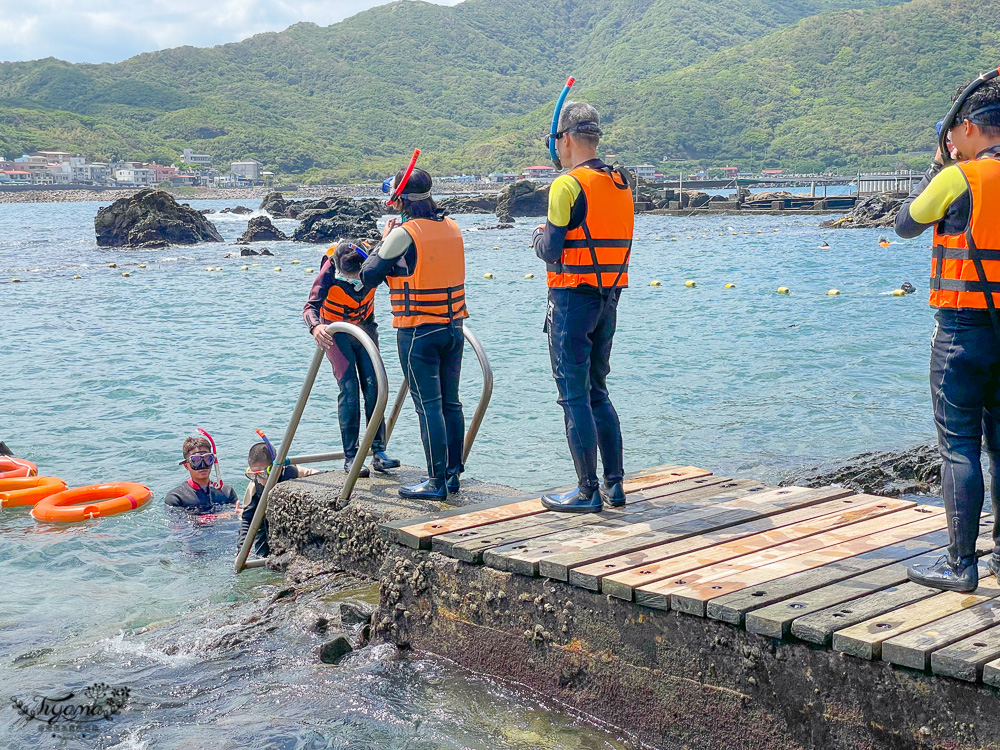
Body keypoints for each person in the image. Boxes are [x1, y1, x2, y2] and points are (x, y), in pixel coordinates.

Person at [894, 74, 1000, 592]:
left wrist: (939, 166)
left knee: (959, 444)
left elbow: (905, 223)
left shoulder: (960, 177)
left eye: (951, 133)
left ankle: (960, 564)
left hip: (962, 328)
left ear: (967, 128)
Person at [532, 101, 634, 513]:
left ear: (566, 140)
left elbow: (552, 248)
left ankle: (587, 490)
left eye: (556, 140)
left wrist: (537, 237)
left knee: (573, 396)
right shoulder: (621, 180)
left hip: (572, 298)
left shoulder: (566, 185)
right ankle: (615, 484)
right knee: (598, 391)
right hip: (609, 297)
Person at [361, 166, 467, 501]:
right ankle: (452, 475)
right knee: (451, 402)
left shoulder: (404, 233)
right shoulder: (451, 226)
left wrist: (385, 237)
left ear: (399, 198)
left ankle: (435, 481)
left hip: (418, 331)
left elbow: (368, 275)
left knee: (429, 406)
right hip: (454, 328)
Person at [304, 240, 399, 477]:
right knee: (349, 389)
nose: (355, 279)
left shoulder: (373, 265)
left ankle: (379, 451)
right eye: (349, 275)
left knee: (375, 387)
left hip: (365, 327)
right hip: (336, 332)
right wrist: (315, 328)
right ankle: (351, 456)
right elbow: (309, 307)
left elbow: (398, 277)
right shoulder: (329, 271)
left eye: (358, 274)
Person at [238, 441, 317, 557]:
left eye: (263, 474)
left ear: (274, 468)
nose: (259, 480)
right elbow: (247, 520)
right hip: (265, 534)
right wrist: (242, 549)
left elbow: (325, 477)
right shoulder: (254, 486)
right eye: (253, 474)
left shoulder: (295, 473)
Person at [164, 435, 239, 513]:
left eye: (207, 459)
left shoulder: (227, 492)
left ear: (213, 461)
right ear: (186, 465)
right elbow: (180, 523)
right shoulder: (176, 497)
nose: (203, 466)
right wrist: (216, 518)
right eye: (196, 461)